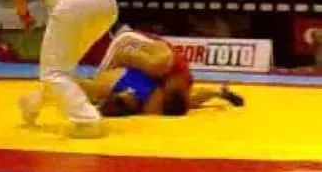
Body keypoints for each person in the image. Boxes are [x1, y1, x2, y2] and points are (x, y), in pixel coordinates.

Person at [12, 0, 119, 138]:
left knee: (53, 71)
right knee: (63, 67)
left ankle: (88, 120)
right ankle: (32, 105)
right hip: (108, 6)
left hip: (74, 3)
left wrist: (24, 15)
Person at [84, 25, 244, 116]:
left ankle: (99, 95)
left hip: (136, 73)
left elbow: (191, 100)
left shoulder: (180, 86)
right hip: (129, 44)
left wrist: (217, 93)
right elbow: (126, 54)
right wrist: (107, 73)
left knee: (100, 91)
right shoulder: (160, 66)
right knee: (97, 89)